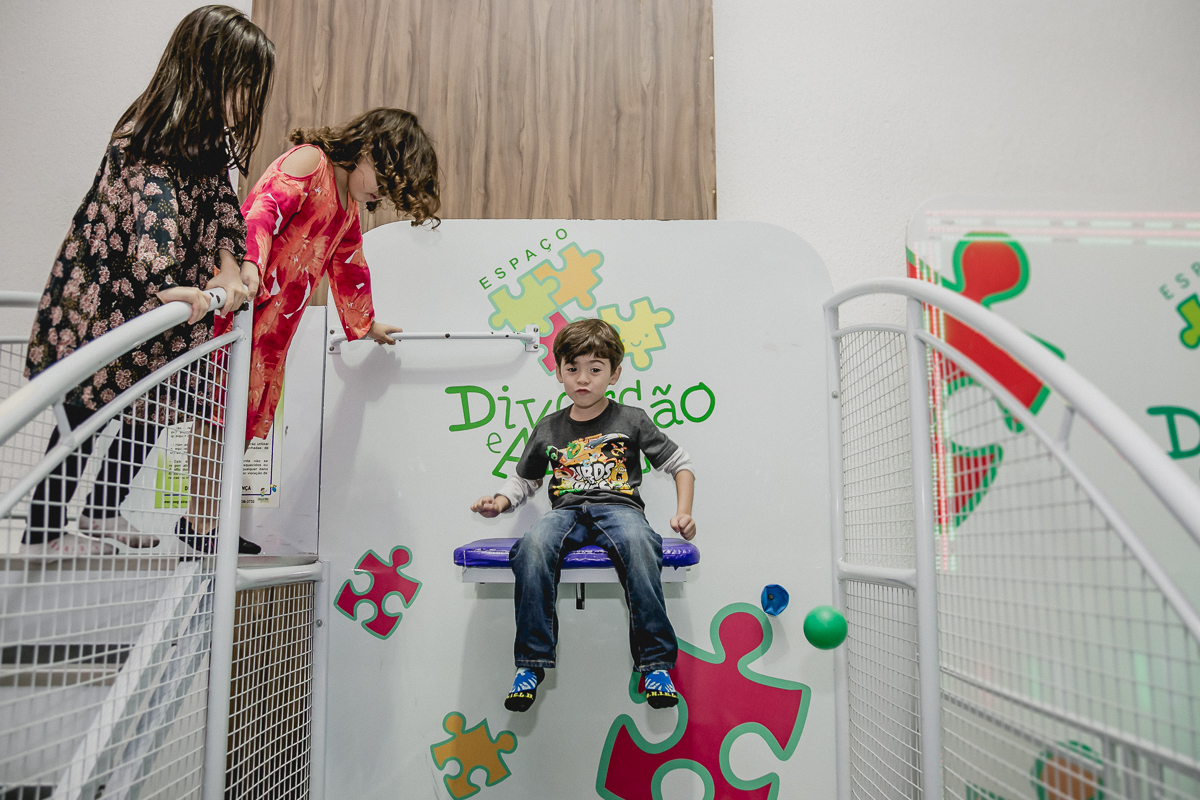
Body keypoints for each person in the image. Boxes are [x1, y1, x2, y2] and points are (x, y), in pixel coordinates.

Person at [20, 5, 274, 557]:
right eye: (243, 82)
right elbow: (150, 209)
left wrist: (233, 265)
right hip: (104, 297)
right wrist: (167, 280)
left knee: (158, 401)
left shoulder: (206, 147)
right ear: (207, 71)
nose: (248, 97)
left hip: (154, 308)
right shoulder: (147, 135)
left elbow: (222, 210)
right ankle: (43, 530)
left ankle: (102, 511)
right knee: (85, 407)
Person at [187, 108, 441, 541]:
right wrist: (249, 264)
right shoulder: (311, 162)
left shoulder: (347, 210)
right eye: (385, 175)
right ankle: (199, 523)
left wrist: (366, 324)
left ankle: (214, 522)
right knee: (217, 416)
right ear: (367, 148)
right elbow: (260, 212)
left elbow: (350, 266)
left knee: (248, 420)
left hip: (275, 331)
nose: (381, 191)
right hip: (243, 312)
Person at [470, 319, 697, 712]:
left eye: (595, 369)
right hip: (567, 512)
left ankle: (655, 664)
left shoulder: (632, 419)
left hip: (619, 508)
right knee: (533, 545)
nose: (583, 379)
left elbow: (681, 464)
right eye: (572, 368)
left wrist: (684, 512)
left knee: (641, 543)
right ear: (558, 372)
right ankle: (531, 664)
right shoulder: (549, 427)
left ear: (615, 374)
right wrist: (500, 504)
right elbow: (523, 482)